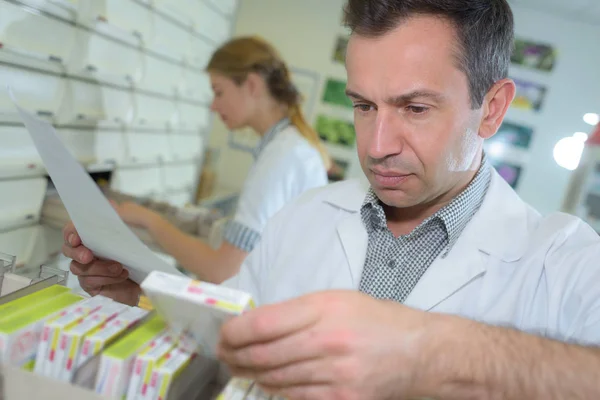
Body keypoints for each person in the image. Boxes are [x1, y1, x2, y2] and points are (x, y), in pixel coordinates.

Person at [64, 0, 600, 398]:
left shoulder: (561, 260)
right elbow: (227, 345)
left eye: (415, 108)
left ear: (492, 108)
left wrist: (430, 352)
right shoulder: (307, 216)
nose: (378, 146)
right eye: (364, 106)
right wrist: (137, 299)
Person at [65, 36, 330, 289]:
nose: (213, 106)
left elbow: (224, 270)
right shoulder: (291, 148)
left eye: (219, 91)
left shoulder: (281, 156)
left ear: (251, 84)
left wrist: (151, 221)